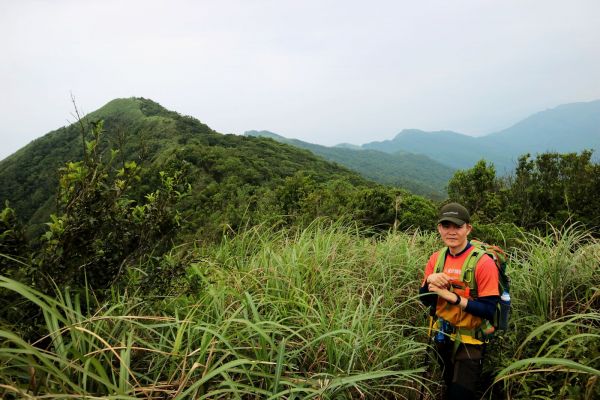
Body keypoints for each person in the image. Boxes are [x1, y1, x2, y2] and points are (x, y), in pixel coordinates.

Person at [420, 202, 499, 400]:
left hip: (470, 340)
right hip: (442, 335)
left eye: (458, 226)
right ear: (439, 228)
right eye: (446, 226)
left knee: (460, 394)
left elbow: (489, 310)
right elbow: (426, 300)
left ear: (468, 229)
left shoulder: (483, 263)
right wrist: (429, 280)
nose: (451, 231)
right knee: (448, 382)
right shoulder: (436, 259)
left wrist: (454, 298)